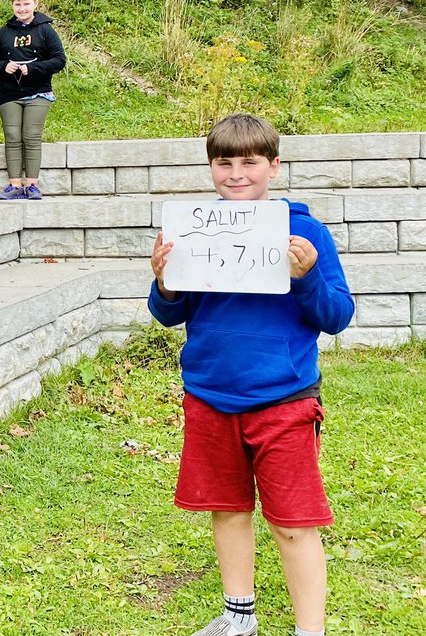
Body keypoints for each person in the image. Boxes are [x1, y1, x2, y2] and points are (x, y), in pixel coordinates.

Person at [148, 114, 354, 636]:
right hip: (210, 394)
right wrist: (165, 281)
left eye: (249, 162)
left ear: (274, 166)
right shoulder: (193, 228)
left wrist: (305, 280)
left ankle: (311, 631)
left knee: (292, 523)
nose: (236, 174)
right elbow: (169, 312)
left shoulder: (305, 232)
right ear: (211, 168)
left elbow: (337, 316)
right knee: (227, 509)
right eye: (224, 163)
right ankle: (239, 618)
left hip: (283, 399)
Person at [0, 0, 66, 201]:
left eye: (26, 4)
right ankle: (14, 185)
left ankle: (32, 185)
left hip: (38, 93)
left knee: (31, 137)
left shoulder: (46, 30)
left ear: (35, 4)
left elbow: (59, 60)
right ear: (12, 5)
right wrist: (4, 66)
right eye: (17, 4)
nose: (22, 8)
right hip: (9, 93)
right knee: (12, 136)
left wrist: (32, 68)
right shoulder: (4, 32)